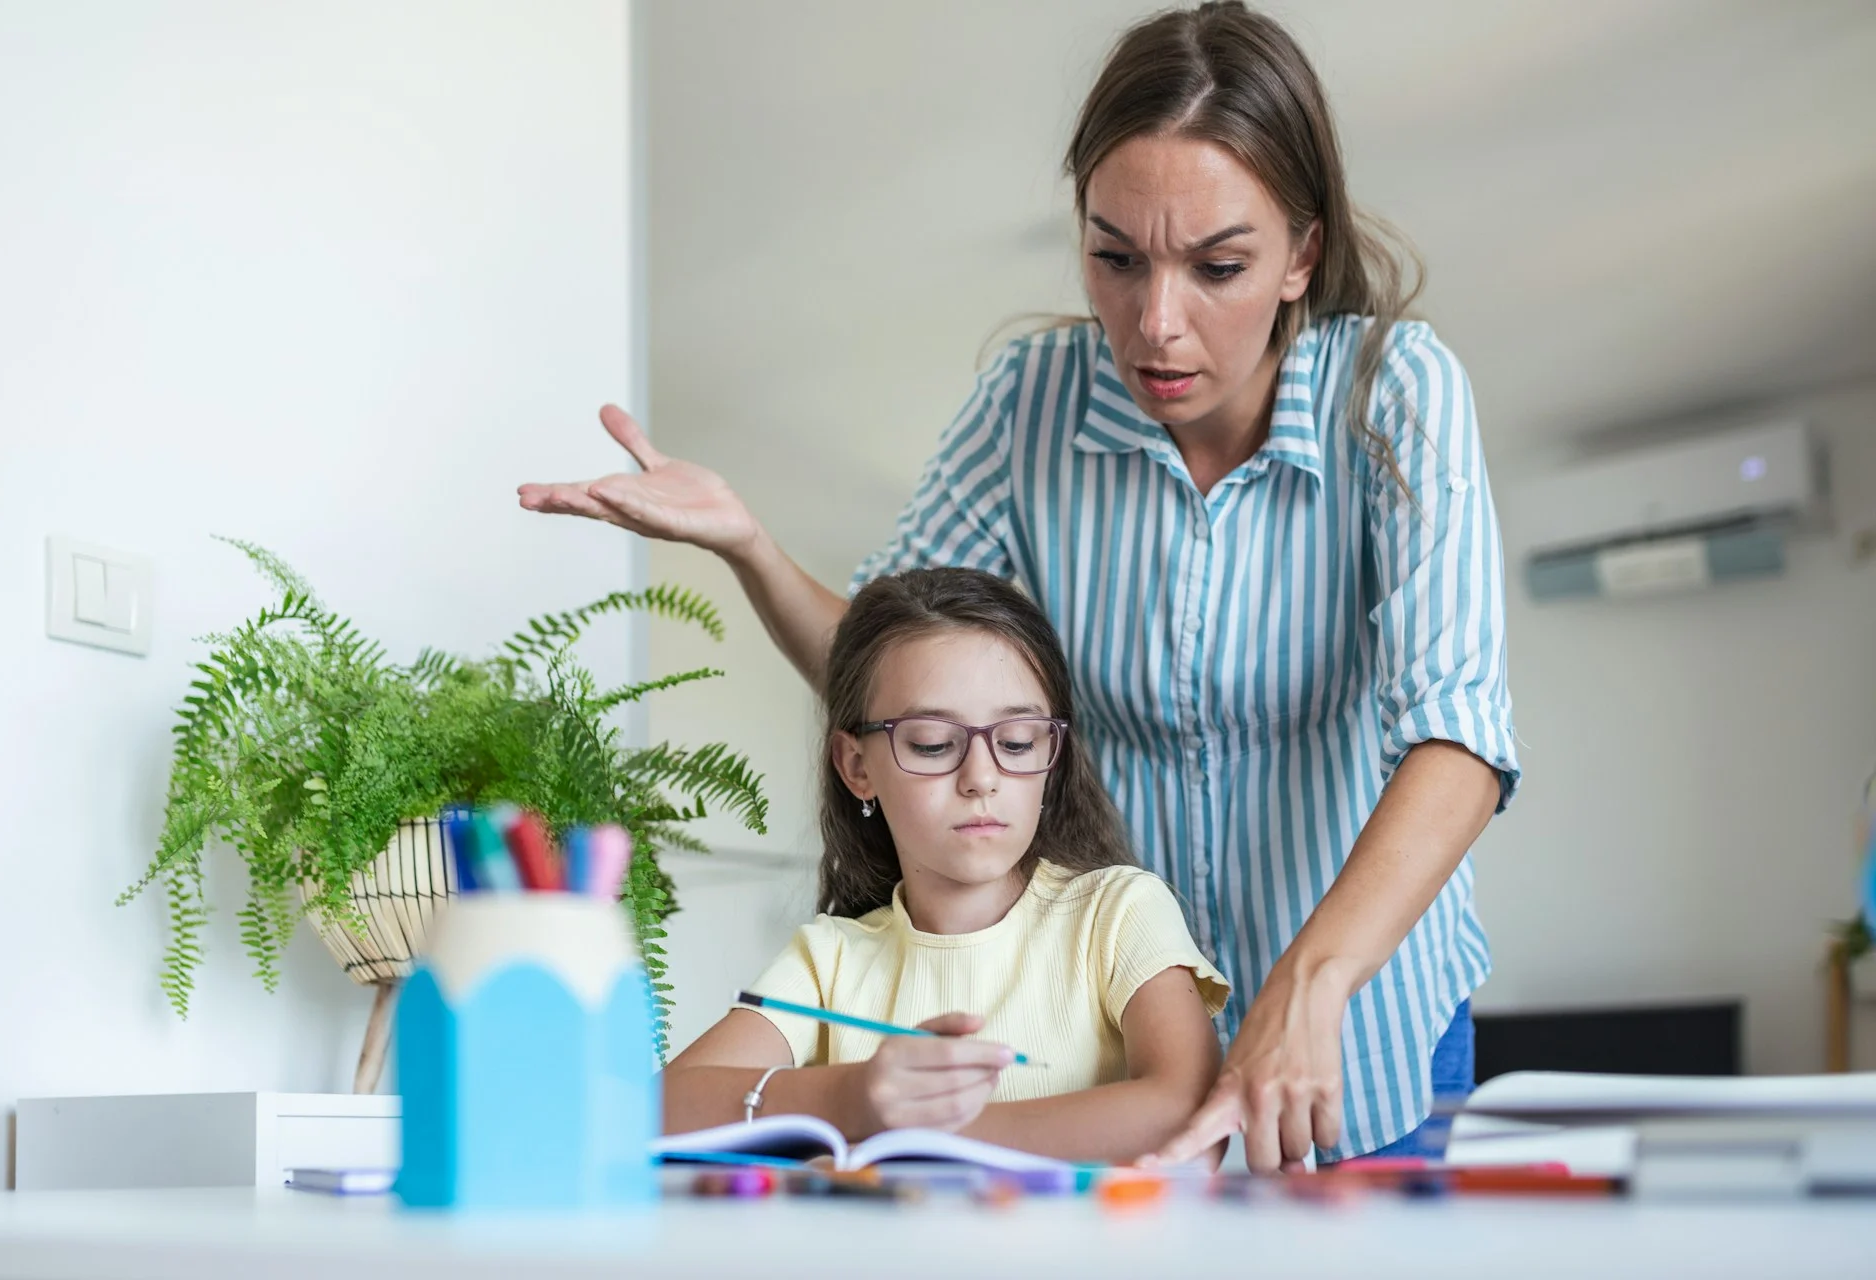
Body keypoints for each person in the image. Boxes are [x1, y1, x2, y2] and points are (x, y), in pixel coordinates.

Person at [521, 1, 1519, 1169]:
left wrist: (1312, 978)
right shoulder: (1032, 402)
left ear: (1302, 252)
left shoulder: (1396, 393)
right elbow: (894, 674)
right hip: (1110, 1053)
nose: (1156, 321)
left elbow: (1456, 731)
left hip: (1361, 1030)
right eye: (1115, 256)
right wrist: (747, 542)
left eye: (1219, 265)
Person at [660, 568, 1230, 1163]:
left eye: (1016, 741)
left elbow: (1191, 1116)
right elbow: (652, 1110)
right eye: (932, 743)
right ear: (857, 766)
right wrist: (850, 1095)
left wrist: (911, 1136)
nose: (981, 777)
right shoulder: (829, 960)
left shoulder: (1118, 914)